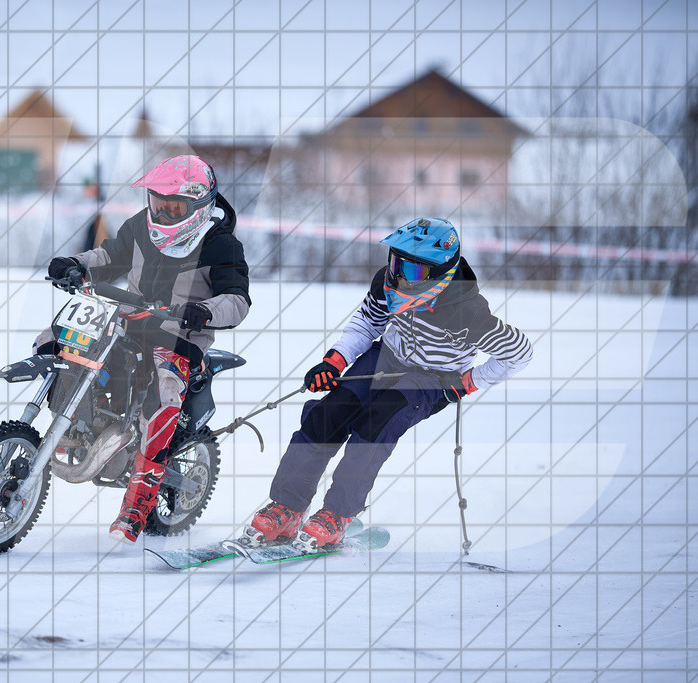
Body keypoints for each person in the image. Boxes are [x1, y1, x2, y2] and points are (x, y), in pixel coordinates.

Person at [245, 217, 533, 551]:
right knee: (327, 414)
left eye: (414, 271)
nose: (400, 276)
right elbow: (368, 321)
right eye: (397, 263)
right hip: (385, 358)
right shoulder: (388, 282)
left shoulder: (468, 313)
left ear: (441, 272)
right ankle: (289, 506)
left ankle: (337, 515)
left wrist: (470, 382)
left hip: (429, 378)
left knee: (375, 424)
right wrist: (334, 360)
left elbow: (519, 353)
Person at [39, 155, 250, 544]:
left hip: (179, 335)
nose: (165, 212)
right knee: (53, 340)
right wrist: (74, 264)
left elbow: (237, 300)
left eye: (175, 207)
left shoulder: (222, 244)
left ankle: (136, 505)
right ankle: (71, 426)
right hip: (127, 319)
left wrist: (202, 311)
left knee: (166, 394)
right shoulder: (140, 225)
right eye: (159, 202)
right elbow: (108, 256)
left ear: (200, 206)